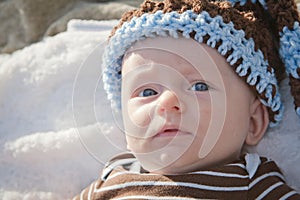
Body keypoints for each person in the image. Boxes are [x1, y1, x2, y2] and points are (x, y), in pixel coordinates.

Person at [74, 0, 300, 199]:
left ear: (252, 122)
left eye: (199, 87)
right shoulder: (113, 177)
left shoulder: (251, 182)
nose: (166, 103)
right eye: (147, 92)